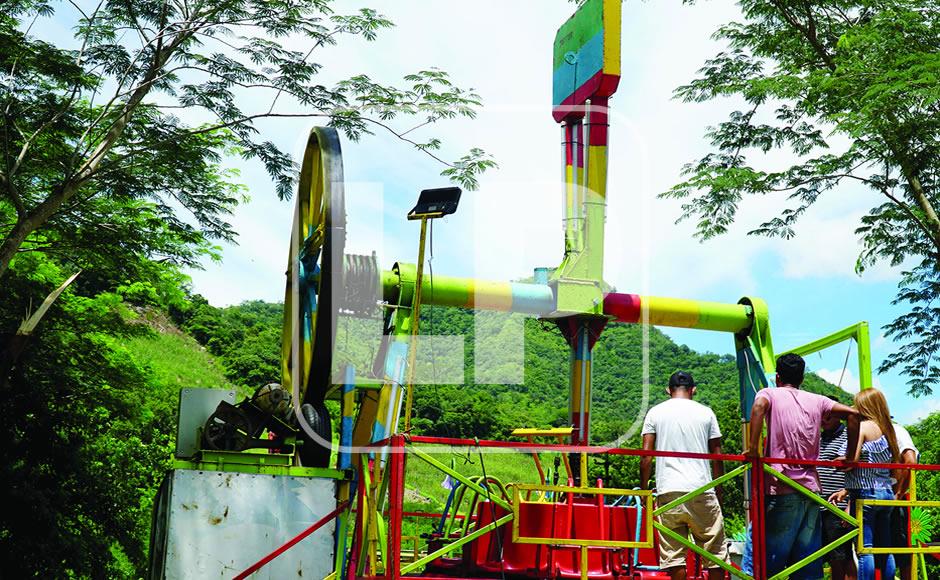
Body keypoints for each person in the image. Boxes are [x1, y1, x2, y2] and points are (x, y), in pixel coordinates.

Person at [744, 353, 860, 580]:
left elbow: (758, 407)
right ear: (802, 378)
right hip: (812, 492)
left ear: (777, 377)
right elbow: (853, 415)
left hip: (781, 487)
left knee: (768, 562)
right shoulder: (818, 400)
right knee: (806, 564)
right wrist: (850, 457)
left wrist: (753, 449)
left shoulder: (769, 394)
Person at [640, 371, 727, 580]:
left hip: (668, 491)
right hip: (701, 488)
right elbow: (717, 455)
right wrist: (720, 488)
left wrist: (644, 491)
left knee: (674, 557)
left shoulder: (655, 412)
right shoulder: (707, 413)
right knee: (714, 553)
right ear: (693, 390)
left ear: (668, 390)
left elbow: (645, 457)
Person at [829, 388, 899, 580]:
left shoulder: (862, 427)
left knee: (864, 548)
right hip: (886, 492)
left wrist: (837, 462)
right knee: (885, 548)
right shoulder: (888, 429)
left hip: (865, 492)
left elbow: (851, 458)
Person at [818, 397, 858, 580]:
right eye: (822, 415)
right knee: (829, 556)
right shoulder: (818, 438)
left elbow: (854, 470)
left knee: (842, 556)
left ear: (839, 417)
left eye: (829, 416)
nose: (824, 419)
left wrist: (849, 504)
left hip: (839, 506)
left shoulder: (848, 438)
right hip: (819, 504)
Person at [892, 421, 920, 580]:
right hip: (886, 497)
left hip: (895, 498)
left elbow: (910, 460)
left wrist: (899, 493)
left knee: (902, 552)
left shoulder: (896, 430)